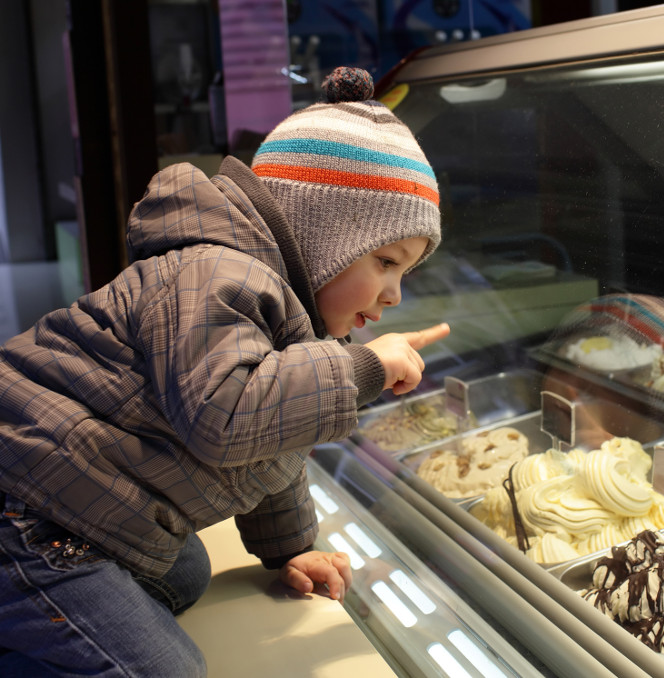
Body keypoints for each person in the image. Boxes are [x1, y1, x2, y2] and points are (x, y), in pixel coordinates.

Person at [0, 66, 449, 677]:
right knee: (169, 669)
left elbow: (269, 444)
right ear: (320, 235)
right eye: (385, 260)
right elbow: (229, 416)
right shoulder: (217, 275)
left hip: (76, 496)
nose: (394, 293)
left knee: (186, 573)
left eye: (406, 272)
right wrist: (362, 366)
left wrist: (291, 549)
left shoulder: (279, 302)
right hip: (30, 509)